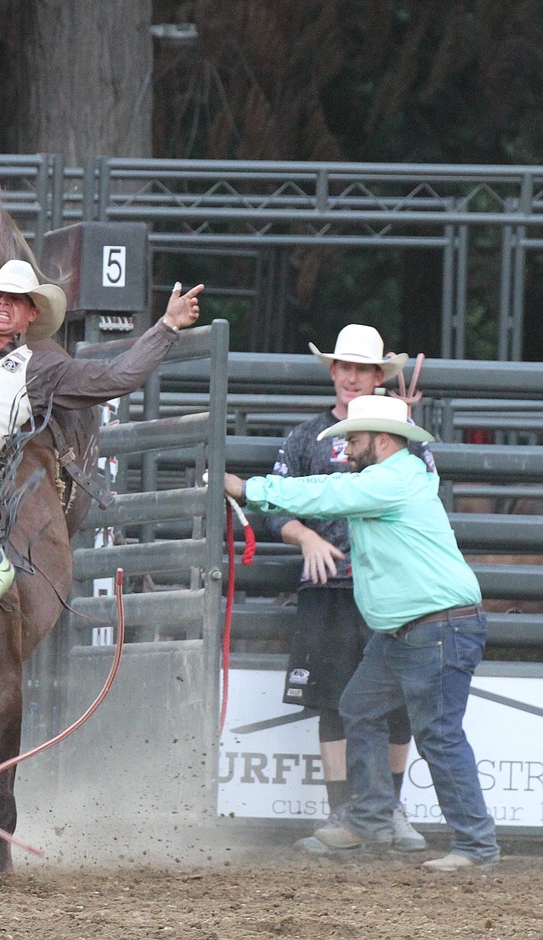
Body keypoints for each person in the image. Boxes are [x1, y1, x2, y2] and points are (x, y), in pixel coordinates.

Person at [225, 393, 500, 873]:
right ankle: (373, 819)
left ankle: (474, 844)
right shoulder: (400, 478)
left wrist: (249, 490)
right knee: (362, 708)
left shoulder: (388, 481)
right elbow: (332, 490)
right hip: (418, 627)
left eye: (353, 438)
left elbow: (326, 494)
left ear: (382, 440)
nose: (345, 448)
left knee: (437, 734)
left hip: (432, 626)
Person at [0, 259, 202, 626]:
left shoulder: (41, 368)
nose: (2, 304)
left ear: (31, 313)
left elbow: (117, 377)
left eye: (14, 300)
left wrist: (167, 326)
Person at [265, 325, 429, 854]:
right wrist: (306, 536)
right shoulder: (304, 437)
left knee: (397, 704)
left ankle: (387, 808)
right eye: (345, 368)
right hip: (329, 588)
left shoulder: (398, 440)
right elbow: (275, 508)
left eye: (363, 369)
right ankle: (346, 812)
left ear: (378, 377)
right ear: (333, 373)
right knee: (332, 701)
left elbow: (422, 494)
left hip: (390, 591)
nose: (352, 377)